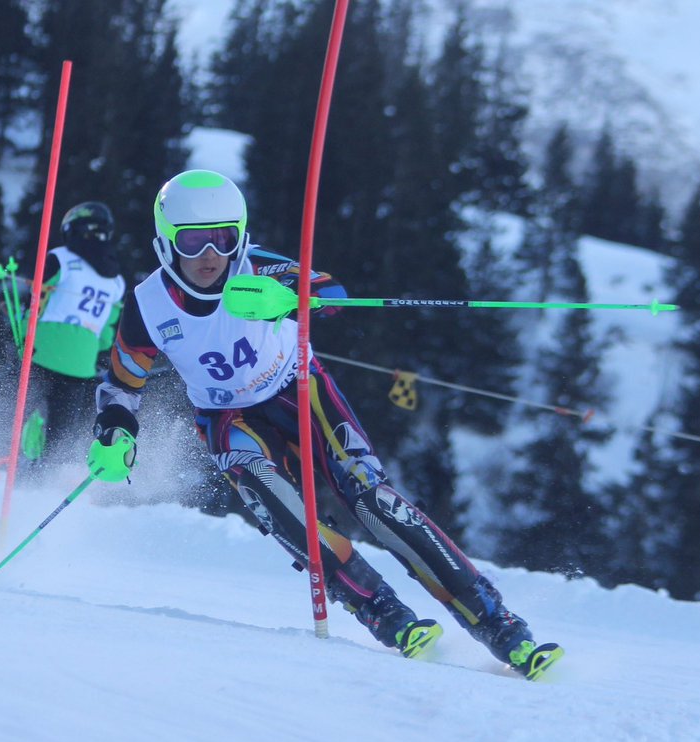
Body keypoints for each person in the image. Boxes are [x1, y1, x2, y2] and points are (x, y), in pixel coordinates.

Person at [87, 169, 561, 678]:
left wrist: (291, 297)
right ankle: (384, 612)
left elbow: (332, 292)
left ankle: (498, 623)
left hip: (301, 390)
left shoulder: (258, 268)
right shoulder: (148, 305)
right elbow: (122, 381)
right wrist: (115, 431)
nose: (210, 255)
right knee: (276, 501)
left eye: (223, 239)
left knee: (372, 499)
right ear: (165, 244)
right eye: (193, 241)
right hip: (228, 416)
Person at [23, 201, 128, 464]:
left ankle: (7, 460)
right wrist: (97, 355)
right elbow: (107, 330)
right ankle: (46, 472)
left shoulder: (60, 258)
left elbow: (36, 300)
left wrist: (21, 328)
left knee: (20, 411)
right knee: (60, 430)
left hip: (42, 351)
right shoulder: (116, 281)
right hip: (81, 364)